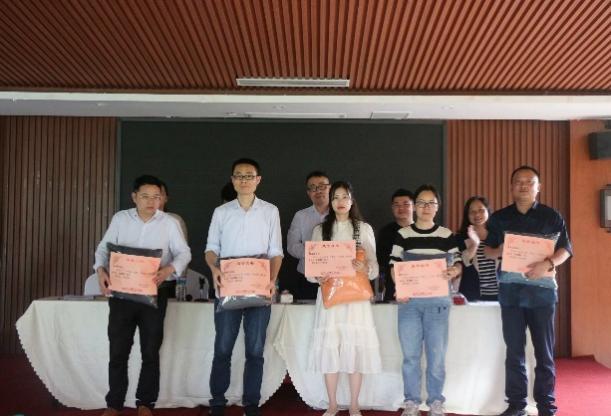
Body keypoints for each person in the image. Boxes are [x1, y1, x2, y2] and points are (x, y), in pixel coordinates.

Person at [93, 175, 192, 416]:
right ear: (134, 197)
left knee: (150, 350)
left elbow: (184, 253)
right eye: (145, 196)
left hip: (155, 293)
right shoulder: (120, 219)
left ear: (162, 199)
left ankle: (145, 403)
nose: (151, 201)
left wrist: (169, 269)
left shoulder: (169, 223)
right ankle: (114, 404)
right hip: (122, 294)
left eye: (156, 197)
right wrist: (100, 269)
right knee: (118, 350)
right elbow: (103, 248)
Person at [483, 166, 571, 416]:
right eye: (518, 181)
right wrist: (501, 250)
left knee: (544, 353)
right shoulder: (499, 218)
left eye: (529, 182)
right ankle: (516, 405)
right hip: (510, 293)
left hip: (542, 294)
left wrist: (548, 263)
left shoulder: (551, 216)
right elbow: (488, 251)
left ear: (538, 187)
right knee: (514, 352)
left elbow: (565, 249)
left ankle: (546, 406)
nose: (523, 186)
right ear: (511, 187)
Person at [205, 158, 283, 416]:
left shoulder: (270, 211)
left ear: (258, 180)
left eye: (249, 175)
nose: (244, 180)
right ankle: (217, 403)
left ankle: (251, 405)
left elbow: (276, 251)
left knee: (255, 351)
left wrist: (272, 279)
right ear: (232, 180)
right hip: (228, 287)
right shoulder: (221, 212)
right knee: (222, 349)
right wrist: (214, 268)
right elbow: (211, 249)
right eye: (239, 175)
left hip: (260, 287)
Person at [307, 181, 381, 416]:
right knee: (331, 349)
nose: (340, 202)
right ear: (330, 201)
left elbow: (375, 268)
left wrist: (365, 267)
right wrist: (317, 276)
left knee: (354, 350)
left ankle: (354, 405)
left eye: (345, 197)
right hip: (329, 299)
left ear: (352, 200)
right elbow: (311, 270)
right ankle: (332, 404)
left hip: (355, 300)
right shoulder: (320, 230)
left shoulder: (363, 229)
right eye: (335, 197)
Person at [389, 184, 462, 416]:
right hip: (409, 303)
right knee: (410, 357)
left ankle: (435, 402)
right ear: (415, 206)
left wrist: (454, 270)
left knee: (436, 357)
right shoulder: (403, 234)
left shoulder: (446, 235)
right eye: (421, 202)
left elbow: (458, 263)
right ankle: (411, 402)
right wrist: (400, 285)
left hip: (438, 303)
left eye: (431, 203)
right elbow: (394, 265)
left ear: (437, 207)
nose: (426, 207)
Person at [287, 171, 331, 299]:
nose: (318, 191)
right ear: (308, 193)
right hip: (306, 277)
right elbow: (292, 246)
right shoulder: (300, 216)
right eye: (313, 187)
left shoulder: (341, 214)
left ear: (330, 188)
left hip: (336, 276)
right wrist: (315, 253)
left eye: (322, 186)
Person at [456, 196, 498, 301]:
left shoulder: (499, 235)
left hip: (500, 296)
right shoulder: (460, 238)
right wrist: (475, 244)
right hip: (472, 296)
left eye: (481, 210)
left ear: (488, 211)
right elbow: (463, 262)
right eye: (472, 212)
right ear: (467, 215)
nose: (477, 214)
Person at [376, 189, 414, 301]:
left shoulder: (422, 230)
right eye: (396, 205)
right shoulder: (385, 232)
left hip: (421, 286)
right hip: (393, 289)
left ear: (414, 207)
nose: (401, 208)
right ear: (392, 208)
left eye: (406, 204)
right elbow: (382, 260)